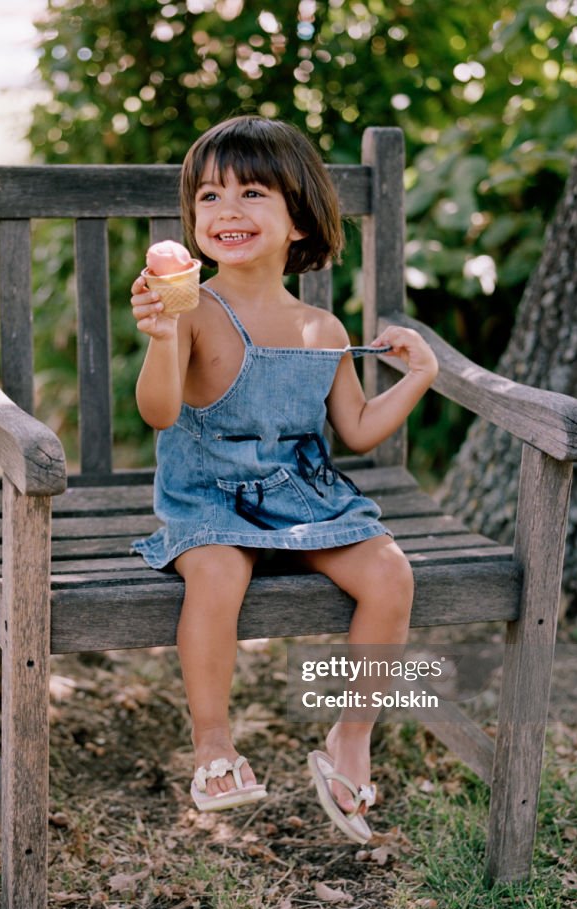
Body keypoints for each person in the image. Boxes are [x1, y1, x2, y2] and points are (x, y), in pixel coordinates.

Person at [129, 115, 438, 842]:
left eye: (252, 193)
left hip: (302, 501)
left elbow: (356, 430)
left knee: (391, 575)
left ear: (299, 216)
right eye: (209, 197)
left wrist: (420, 374)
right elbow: (158, 409)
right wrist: (163, 337)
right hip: (206, 497)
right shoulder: (194, 308)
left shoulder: (323, 329)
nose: (227, 211)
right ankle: (214, 749)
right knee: (215, 575)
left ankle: (349, 738)